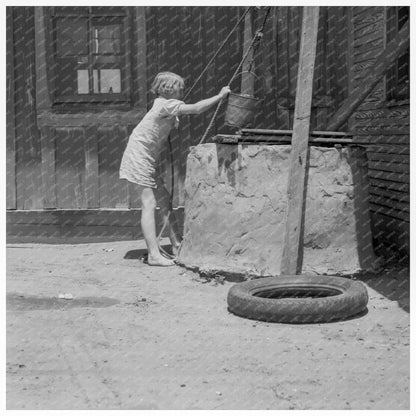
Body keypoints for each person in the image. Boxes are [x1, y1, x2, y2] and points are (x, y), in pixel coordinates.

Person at [120, 71, 231, 266]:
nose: (182, 89)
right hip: (139, 157)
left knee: (164, 200)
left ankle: (176, 243)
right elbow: (196, 108)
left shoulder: (161, 104)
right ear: (168, 89)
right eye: (179, 86)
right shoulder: (167, 104)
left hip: (145, 156)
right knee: (149, 202)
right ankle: (154, 255)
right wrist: (220, 96)